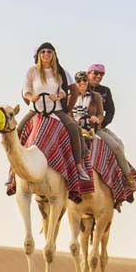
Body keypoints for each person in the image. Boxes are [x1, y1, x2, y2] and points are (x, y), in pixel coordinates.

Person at [18, 42, 89, 180]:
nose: (46, 54)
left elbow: (64, 91)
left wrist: (59, 97)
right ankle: (13, 170)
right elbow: (26, 90)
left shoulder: (60, 72)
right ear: (39, 54)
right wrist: (31, 97)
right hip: (36, 109)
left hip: (56, 110)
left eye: (49, 52)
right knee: (18, 130)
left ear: (54, 55)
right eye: (43, 52)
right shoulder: (32, 71)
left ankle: (79, 166)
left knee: (74, 130)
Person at [86, 63, 136, 189]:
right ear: (88, 73)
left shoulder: (104, 91)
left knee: (119, 145)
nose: (98, 76)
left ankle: (124, 178)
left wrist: (101, 123)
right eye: (95, 73)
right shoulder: (79, 88)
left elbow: (110, 111)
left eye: (101, 74)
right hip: (83, 125)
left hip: (99, 126)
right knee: (116, 147)